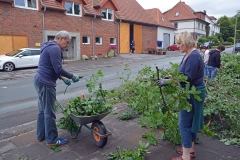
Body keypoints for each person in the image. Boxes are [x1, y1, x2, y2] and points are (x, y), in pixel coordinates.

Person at [157, 31, 206, 160]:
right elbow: (181, 73)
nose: (177, 46)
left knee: (184, 124)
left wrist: (167, 82)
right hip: (190, 91)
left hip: (192, 93)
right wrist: (170, 77)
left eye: (179, 43)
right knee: (192, 122)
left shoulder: (194, 56)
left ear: (185, 43)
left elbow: (186, 79)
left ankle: (185, 157)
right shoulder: (188, 54)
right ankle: (190, 151)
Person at [34, 30, 79, 146]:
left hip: (39, 80)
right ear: (61, 39)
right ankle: (52, 140)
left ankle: (41, 136)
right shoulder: (55, 49)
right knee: (49, 112)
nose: (67, 45)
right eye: (67, 42)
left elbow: (50, 66)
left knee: (42, 111)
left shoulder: (49, 46)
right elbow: (58, 68)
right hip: (46, 83)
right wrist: (71, 75)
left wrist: (62, 78)